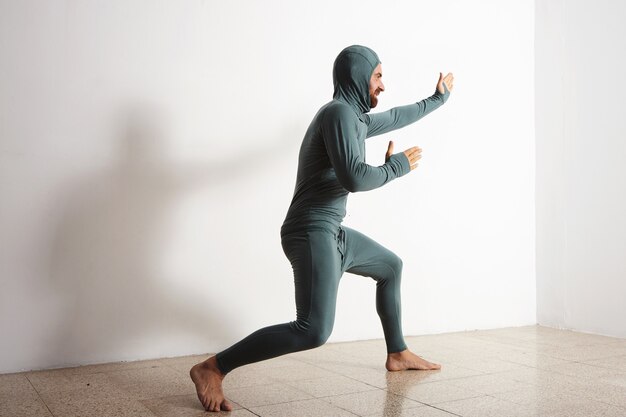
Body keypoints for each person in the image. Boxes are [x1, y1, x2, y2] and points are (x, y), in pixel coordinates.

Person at [191, 45, 454, 412]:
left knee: (390, 267)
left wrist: (436, 100)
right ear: (357, 77)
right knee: (313, 330)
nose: (382, 85)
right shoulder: (338, 114)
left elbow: (396, 115)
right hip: (310, 230)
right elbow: (355, 178)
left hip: (332, 232)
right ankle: (212, 368)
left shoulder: (354, 117)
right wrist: (396, 168)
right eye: (377, 76)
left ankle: (397, 352)